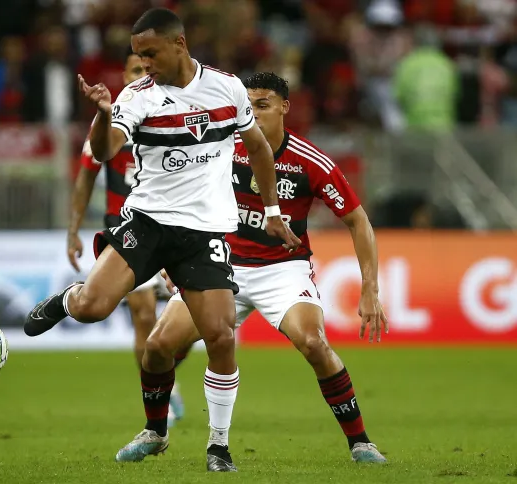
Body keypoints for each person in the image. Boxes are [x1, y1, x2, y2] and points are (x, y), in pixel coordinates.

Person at [24, 9, 300, 472]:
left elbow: (256, 148)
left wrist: (272, 211)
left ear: (179, 43)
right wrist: (102, 115)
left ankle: (217, 446)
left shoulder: (227, 87)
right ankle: (67, 301)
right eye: (137, 55)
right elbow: (106, 147)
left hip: (204, 231)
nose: (144, 62)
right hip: (149, 223)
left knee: (220, 335)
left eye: (150, 53)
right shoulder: (137, 96)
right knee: (94, 308)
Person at [115, 72, 388, 466]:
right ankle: (156, 431)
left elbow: (358, 222)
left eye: (264, 105)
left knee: (313, 344)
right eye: (250, 104)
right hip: (218, 264)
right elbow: (178, 198)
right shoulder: (220, 147)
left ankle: (361, 442)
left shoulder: (312, 162)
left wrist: (370, 289)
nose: (255, 113)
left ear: (284, 108)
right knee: (157, 346)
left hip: (283, 270)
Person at [67, 47, 188, 428]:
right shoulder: (112, 122)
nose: (140, 74)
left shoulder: (172, 113)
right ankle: (159, 405)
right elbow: (87, 173)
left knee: (190, 327)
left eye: (145, 68)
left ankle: (166, 375)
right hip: (126, 229)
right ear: (123, 75)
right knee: (142, 316)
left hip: (171, 226)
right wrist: (73, 230)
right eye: (134, 69)